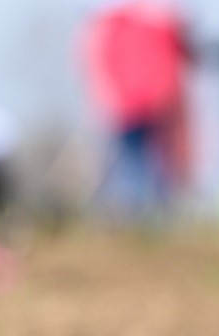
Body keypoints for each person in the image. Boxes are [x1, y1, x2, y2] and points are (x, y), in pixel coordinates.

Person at [81, 0, 189, 221]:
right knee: (136, 160)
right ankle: (138, 212)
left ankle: (146, 213)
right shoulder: (143, 23)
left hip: (146, 104)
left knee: (148, 160)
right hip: (132, 105)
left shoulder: (116, 25)